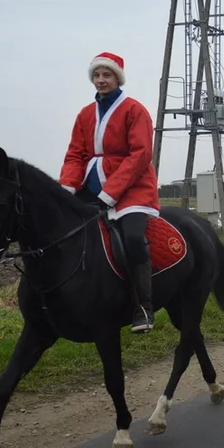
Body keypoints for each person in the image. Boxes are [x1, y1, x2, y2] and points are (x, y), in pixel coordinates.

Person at [59, 51, 160, 333]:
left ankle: (143, 306)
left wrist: (110, 193)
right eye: (97, 75)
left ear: (118, 78)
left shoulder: (134, 110)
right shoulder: (85, 114)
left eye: (107, 75)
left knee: (131, 238)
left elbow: (140, 155)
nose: (101, 80)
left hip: (133, 189)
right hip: (91, 186)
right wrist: (66, 188)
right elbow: (75, 154)